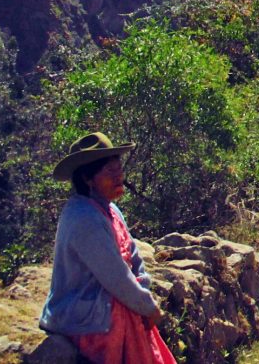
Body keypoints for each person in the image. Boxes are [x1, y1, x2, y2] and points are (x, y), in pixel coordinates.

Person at [40, 132, 175, 364]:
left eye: (119, 169)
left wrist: (143, 287)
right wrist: (147, 306)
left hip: (108, 306)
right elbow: (115, 276)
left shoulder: (111, 211)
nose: (119, 176)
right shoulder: (83, 217)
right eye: (110, 172)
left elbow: (133, 258)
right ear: (87, 178)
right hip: (84, 317)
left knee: (132, 310)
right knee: (127, 313)